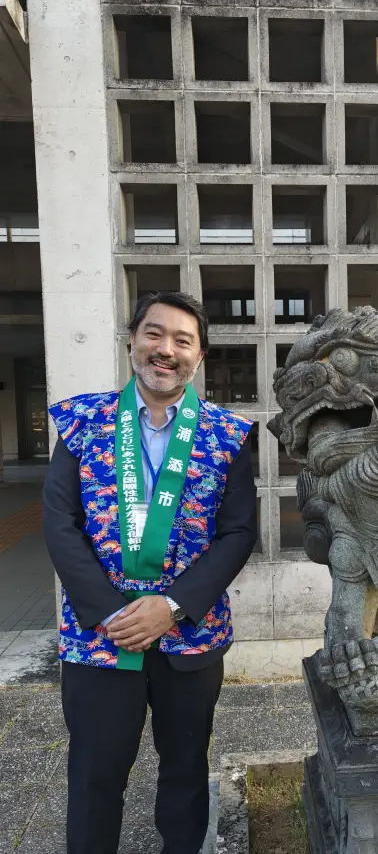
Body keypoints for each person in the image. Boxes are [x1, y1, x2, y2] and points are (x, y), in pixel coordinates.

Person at [43, 291, 257, 854]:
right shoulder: (81, 421)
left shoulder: (227, 434)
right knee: (94, 774)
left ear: (199, 357)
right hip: (100, 635)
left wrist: (173, 606)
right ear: (132, 342)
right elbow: (60, 523)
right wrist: (110, 612)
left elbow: (238, 532)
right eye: (154, 334)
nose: (166, 349)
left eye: (183, 340)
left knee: (186, 769)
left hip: (190, 635)